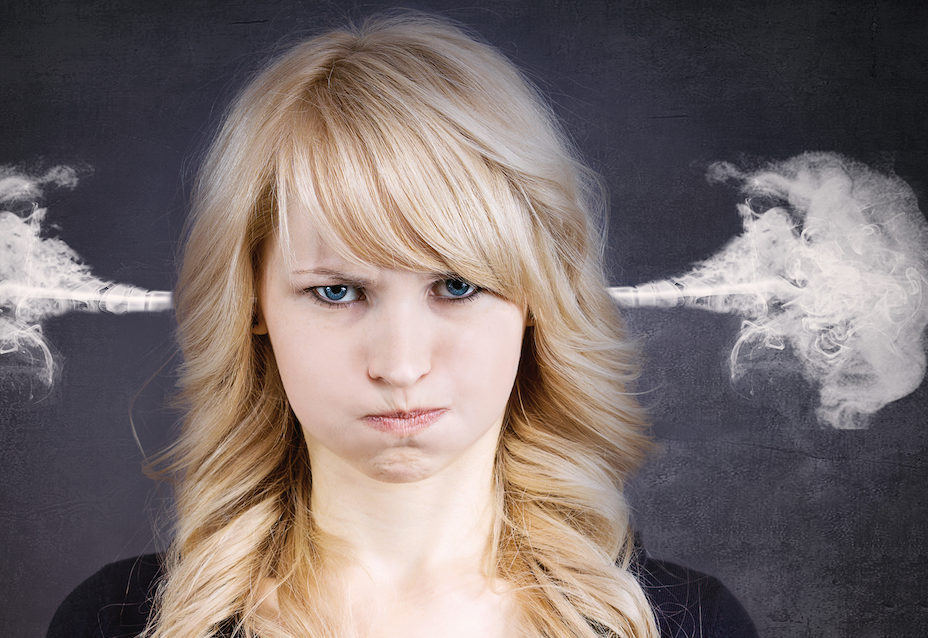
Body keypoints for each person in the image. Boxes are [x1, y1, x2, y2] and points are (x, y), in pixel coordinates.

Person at [48, 10, 757, 638]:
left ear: (537, 297)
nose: (400, 363)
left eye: (456, 285)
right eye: (336, 292)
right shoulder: (117, 623)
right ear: (254, 305)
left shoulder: (686, 626)